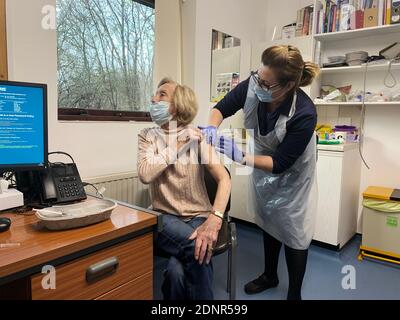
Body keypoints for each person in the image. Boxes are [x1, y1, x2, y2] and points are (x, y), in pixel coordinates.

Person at [200, 45, 320, 300]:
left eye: (266, 84)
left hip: (293, 170)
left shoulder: (304, 113)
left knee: (293, 227)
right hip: (261, 161)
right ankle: (270, 275)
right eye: (257, 76)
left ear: (287, 86)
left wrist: (242, 156)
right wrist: (211, 127)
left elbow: (281, 163)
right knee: (268, 215)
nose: (258, 85)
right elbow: (221, 108)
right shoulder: (254, 85)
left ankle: (294, 293)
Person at [137, 77, 231, 300]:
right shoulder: (147, 136)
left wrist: (215, 218)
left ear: (177, 106)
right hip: (164, 217)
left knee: (175, 272)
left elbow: (224, 180)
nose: (153, 98)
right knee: (198, 250)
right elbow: (145, 174)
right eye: (155, 94)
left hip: (199, 216)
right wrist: (178, 144)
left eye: (161, 95)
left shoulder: (198, 137)